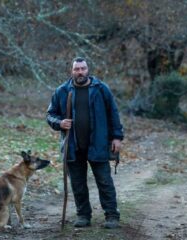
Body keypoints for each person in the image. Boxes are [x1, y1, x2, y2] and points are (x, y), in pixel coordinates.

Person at [46, 57, 124, 229]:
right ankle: (83, 215)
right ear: (71, 71)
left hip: (98, 144)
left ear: (88, 69)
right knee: (78, 183)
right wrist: (59, 123)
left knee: (104, 181)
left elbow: (114, 113)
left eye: (83, 68)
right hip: (73, 146)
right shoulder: (62, 91)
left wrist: (117, 137)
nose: (80, 72)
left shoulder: (101, 89)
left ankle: (112, 216)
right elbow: (50, 114)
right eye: (77, 69)